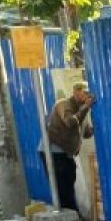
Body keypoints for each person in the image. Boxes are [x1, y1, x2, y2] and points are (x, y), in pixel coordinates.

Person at [39, 82, 95, 213]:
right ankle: (68, 213)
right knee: (62, 184)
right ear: (76, 92)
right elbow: (70, 122)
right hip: (53, 151)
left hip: (65, 152)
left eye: (89, 94)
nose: (88, 97)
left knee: (69, 180)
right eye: (85, 93)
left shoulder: (81, 109)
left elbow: (84, 132)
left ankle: (70, 212)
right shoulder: (63, 104)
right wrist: (86, 107)